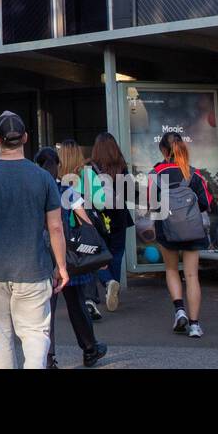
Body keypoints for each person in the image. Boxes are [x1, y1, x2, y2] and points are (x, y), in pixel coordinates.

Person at [0, 111, 69, 369]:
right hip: (33, 268)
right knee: (34, 334)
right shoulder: (43, 178)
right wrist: (62, 267)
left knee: (0, 337)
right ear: (25, 137)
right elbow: (55, 227)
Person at [38, 147, 109, 367]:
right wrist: (97, 250)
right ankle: (90, 349)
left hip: (40, 257)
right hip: (68, 256)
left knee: (45, 310)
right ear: (58, 165)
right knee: (77, 304)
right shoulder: (67, 191)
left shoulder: (33, 191)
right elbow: (86, 221)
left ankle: (48, 359)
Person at [153, 132, 214, 338]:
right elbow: (206, 203)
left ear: (163, 150)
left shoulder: (156, 174)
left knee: (171, 270)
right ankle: (195, 325)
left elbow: (151, 204)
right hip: (192, 230)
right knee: (192, 275)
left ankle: (179, 311)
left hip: (166, 228)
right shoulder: (194, 174)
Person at [57, 140, 104, 322]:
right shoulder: (88, 174)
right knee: (88, 260)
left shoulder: (57, 176)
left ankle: (76, 299)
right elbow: (100, 202)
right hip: (85, 224)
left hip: (64, 227)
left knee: (70, 262)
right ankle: (90, 300)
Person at [88, 132, 131, 312]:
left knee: (98, 256)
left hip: (99, 220)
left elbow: (88, 197)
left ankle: (108, 282)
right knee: (117, 254)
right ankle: (113, 290)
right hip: (119, 217)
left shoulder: (91, 169)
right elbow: (128, 193)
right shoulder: (121, 167)